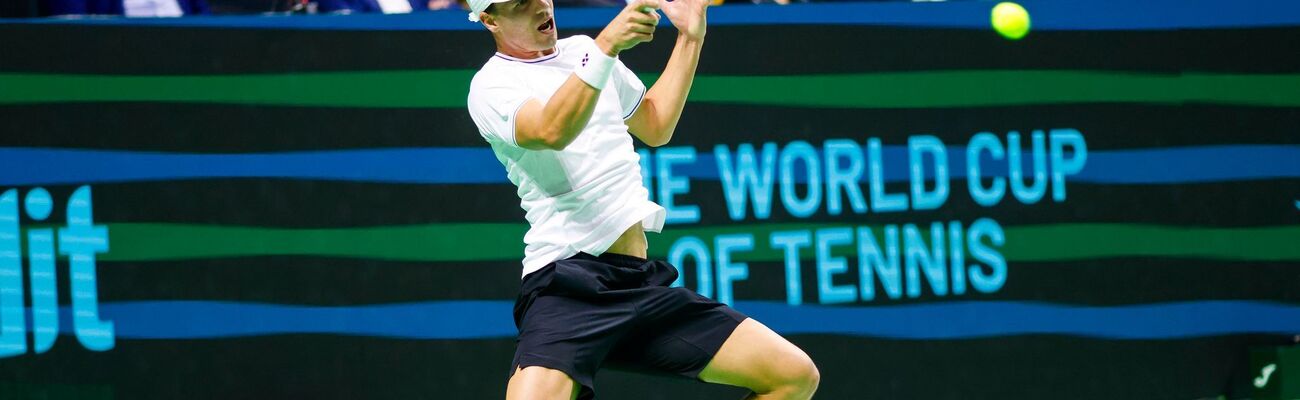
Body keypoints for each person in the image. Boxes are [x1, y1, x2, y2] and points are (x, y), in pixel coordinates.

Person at [464, 0, 821, 398]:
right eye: (519, 3)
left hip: (637, 280)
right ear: (489, 19)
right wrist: (605, 48)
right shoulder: (491, 85)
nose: (539, 6)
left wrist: (690, 38)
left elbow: (655, 123)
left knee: (793, 375)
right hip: (567, 285)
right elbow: (551, 129)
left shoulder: (584, 51)